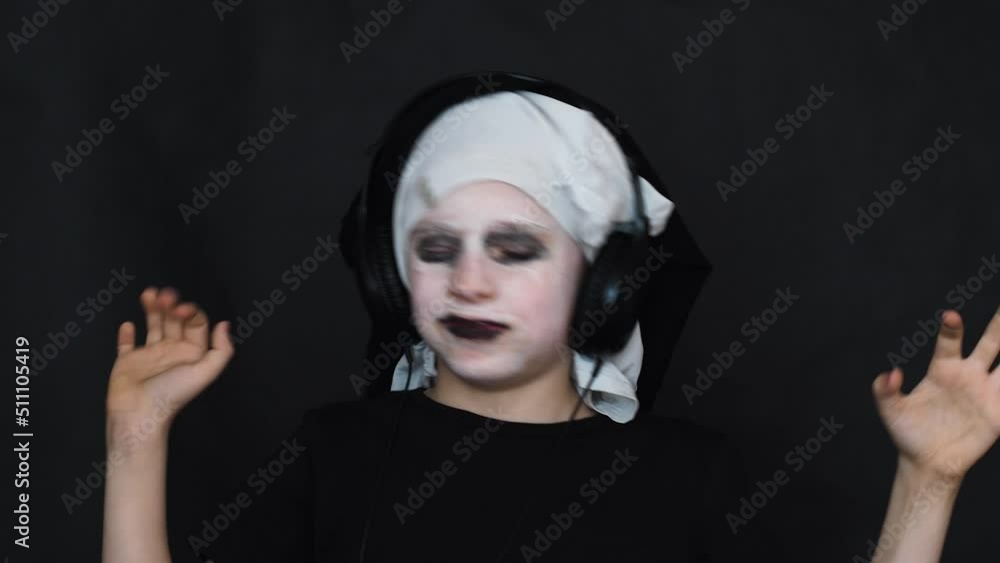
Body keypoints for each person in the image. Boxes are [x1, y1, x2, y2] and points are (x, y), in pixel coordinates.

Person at [101, 78, 1000, 563]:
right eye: (436, 246)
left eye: (516, 248)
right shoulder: (331, 453)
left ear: (603, 277)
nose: (469, 281)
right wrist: (135, 438)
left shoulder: (690, 476)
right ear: (392, 273)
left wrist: (929, 479)